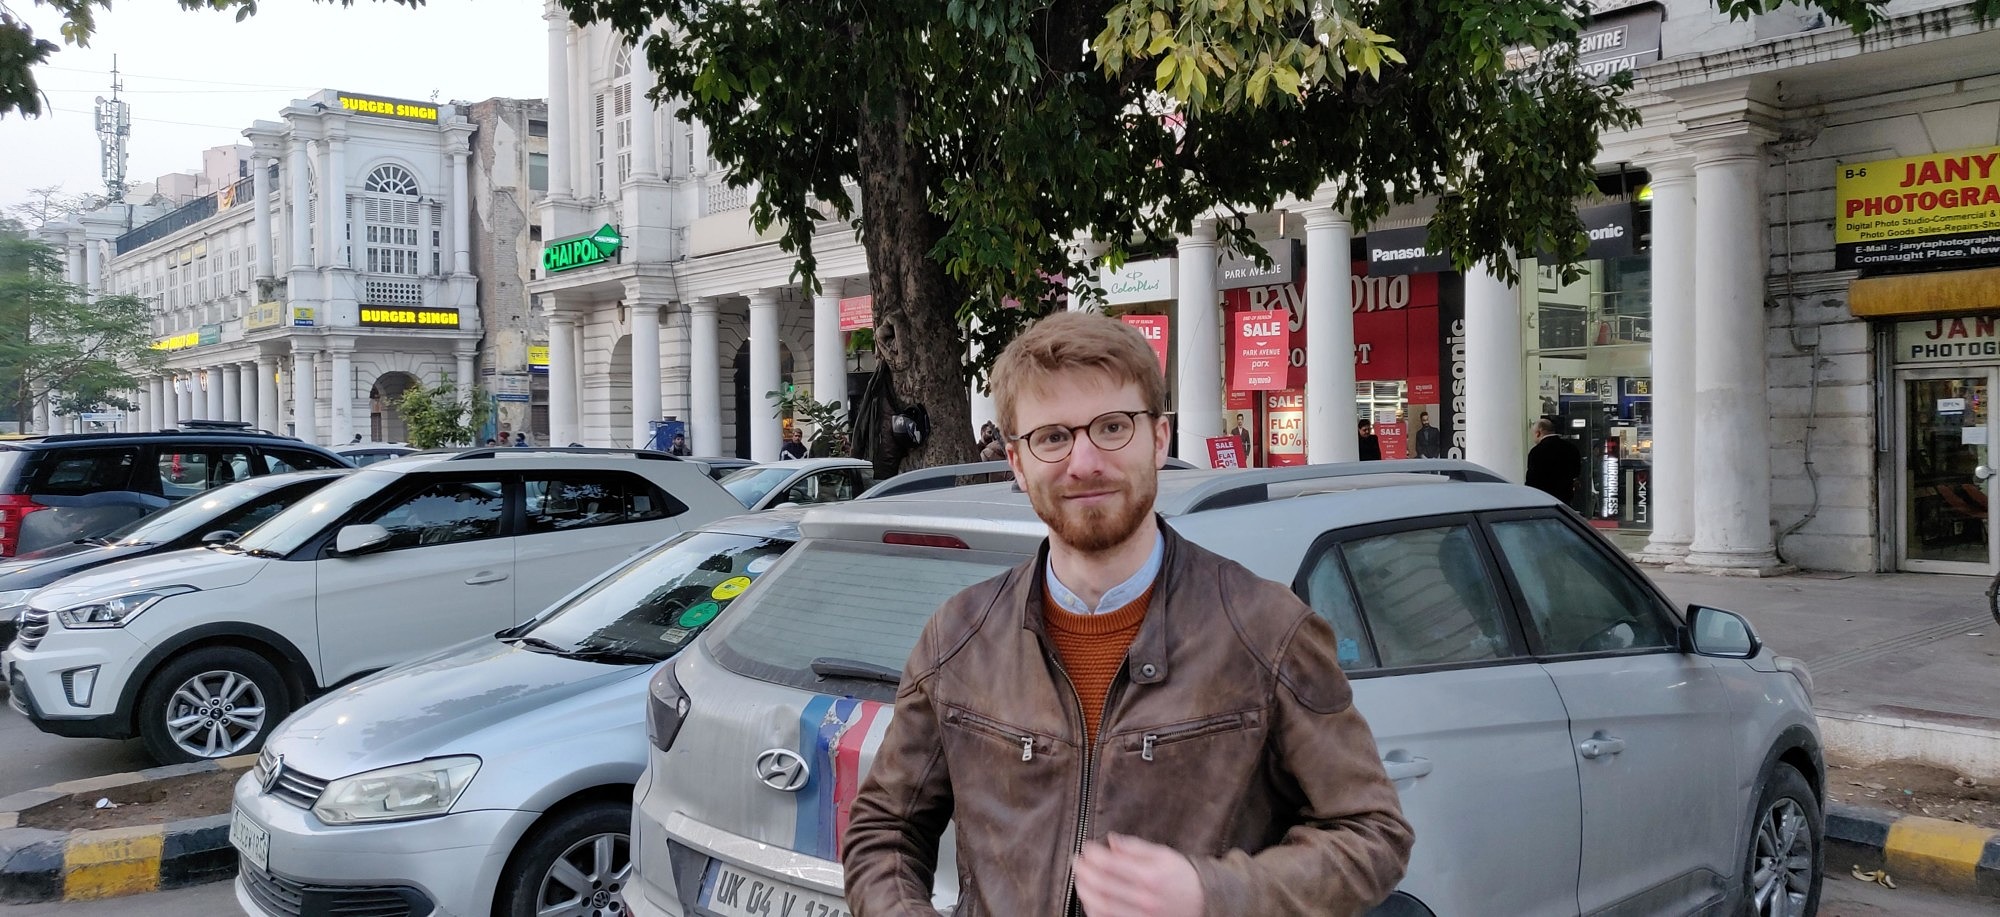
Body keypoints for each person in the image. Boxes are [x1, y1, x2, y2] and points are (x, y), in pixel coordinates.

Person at [843, 311, 1412, 917]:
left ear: (1160, 439)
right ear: (1016, 462)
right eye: (1053, 437)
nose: (1084, 463)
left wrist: (1211, 893)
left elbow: (1371, 834)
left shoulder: (1267, 630)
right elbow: (883, 832)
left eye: (1112, 427)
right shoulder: (958, 638)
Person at [1525, 416, 1582, 502]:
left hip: (1544, 498)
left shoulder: (1537, 451)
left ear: (1538, 433)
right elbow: (1576, 472)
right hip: (1565, 497)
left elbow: (1532, 479)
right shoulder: (1571, 448)